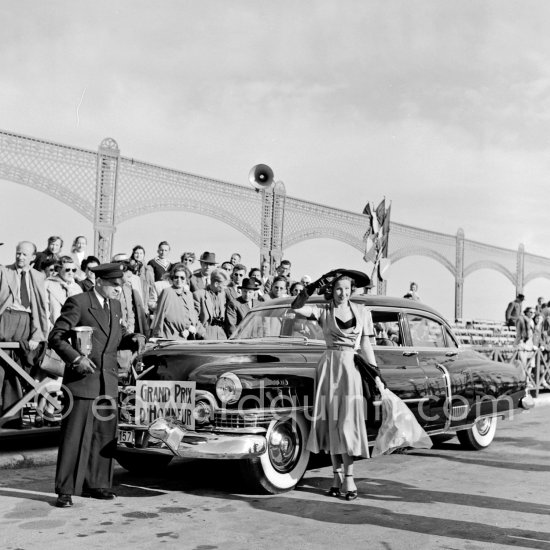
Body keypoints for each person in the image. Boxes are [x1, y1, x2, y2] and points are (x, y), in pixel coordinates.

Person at [49, 262, 145, 507]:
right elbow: (56, 336)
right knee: (74, 437)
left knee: (104, 436)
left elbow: (115, 336)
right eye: (114, 285)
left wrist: (131, 338)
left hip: (108, 381)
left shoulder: (115, 305)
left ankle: (97, 484)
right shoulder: (79, 302)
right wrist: (76, 358)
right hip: (83, 380)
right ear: (100, 282)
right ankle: (66, 489)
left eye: (121, 285)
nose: (118, 289)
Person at [291, 272, 380, 500]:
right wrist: (309, 288)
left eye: (347, 289)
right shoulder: (324, 310)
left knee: (348, 423)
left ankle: (349, 476)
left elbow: (366, 343)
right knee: (332, 421)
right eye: (339, 289)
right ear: (332, 290)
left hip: (351, 368)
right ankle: (337, 475)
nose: (343, 293)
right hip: (329, 367)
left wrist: (375, 373)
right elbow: (296, 308)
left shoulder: (361, 311)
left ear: (352, 290)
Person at [0, 242, 49, 426]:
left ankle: (19, 417)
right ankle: (6, 415)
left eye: (24, 254)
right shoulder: (5, 271)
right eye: (18, 253)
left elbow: (41, 310)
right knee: (2, 365)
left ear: (33, 258)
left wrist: (37, 335)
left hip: (26, 321)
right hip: (6, 318)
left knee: (22, 370)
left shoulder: (38, 276)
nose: (20, 257)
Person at [151, 263, 205, 340]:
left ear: (186, 279)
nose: (179, 280)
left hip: (185, 335)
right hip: (170, 334)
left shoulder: (189, 294)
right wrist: (187, 326)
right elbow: (169, 316)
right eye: (176, 277)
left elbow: (191, 315)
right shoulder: (167, 292)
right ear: (172, 279)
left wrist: (195, 330)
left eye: (182, 278)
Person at [44, 256, 82, 330]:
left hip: (72, 331)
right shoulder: (47, 284)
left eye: (73, 270)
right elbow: (44, 310)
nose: (71, 273)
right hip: (53, 329)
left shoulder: (77, 288)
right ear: (58, 269)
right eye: (67, 270)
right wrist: (48, 328)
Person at [193, 269, 229, 340]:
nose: (226, 288)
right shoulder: (199, 294)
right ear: (216, 284)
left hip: (222, 334)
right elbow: (194, 317)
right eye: (224, 285)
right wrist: (202, 333)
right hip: (206, 332)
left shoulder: (223, 294)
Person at [130, 246, 157, 315]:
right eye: (136, 253)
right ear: (133, 254)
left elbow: (151, 285)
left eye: (141, 253)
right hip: (131, 291)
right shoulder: (129, 266)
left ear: (144, 255)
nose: (138, 255)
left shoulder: (148, 268)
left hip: (143, 293)